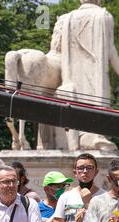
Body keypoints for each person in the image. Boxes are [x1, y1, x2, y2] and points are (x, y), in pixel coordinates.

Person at [54, 0, 119, 150]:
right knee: (97, 105)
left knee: (77, 106)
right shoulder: (103, 16)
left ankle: (83, 138)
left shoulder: (67, 18)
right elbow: (111, 52)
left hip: (72, 79)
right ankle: (96, 136)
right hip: (97, 79)